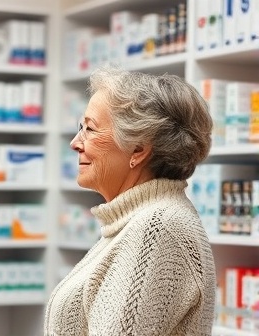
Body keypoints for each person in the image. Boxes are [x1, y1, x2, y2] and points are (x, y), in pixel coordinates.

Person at [44, 66, 216, 335]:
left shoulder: (158, 228)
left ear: (138, 149)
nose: (76, 143)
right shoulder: (132, 222)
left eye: (90, 128)